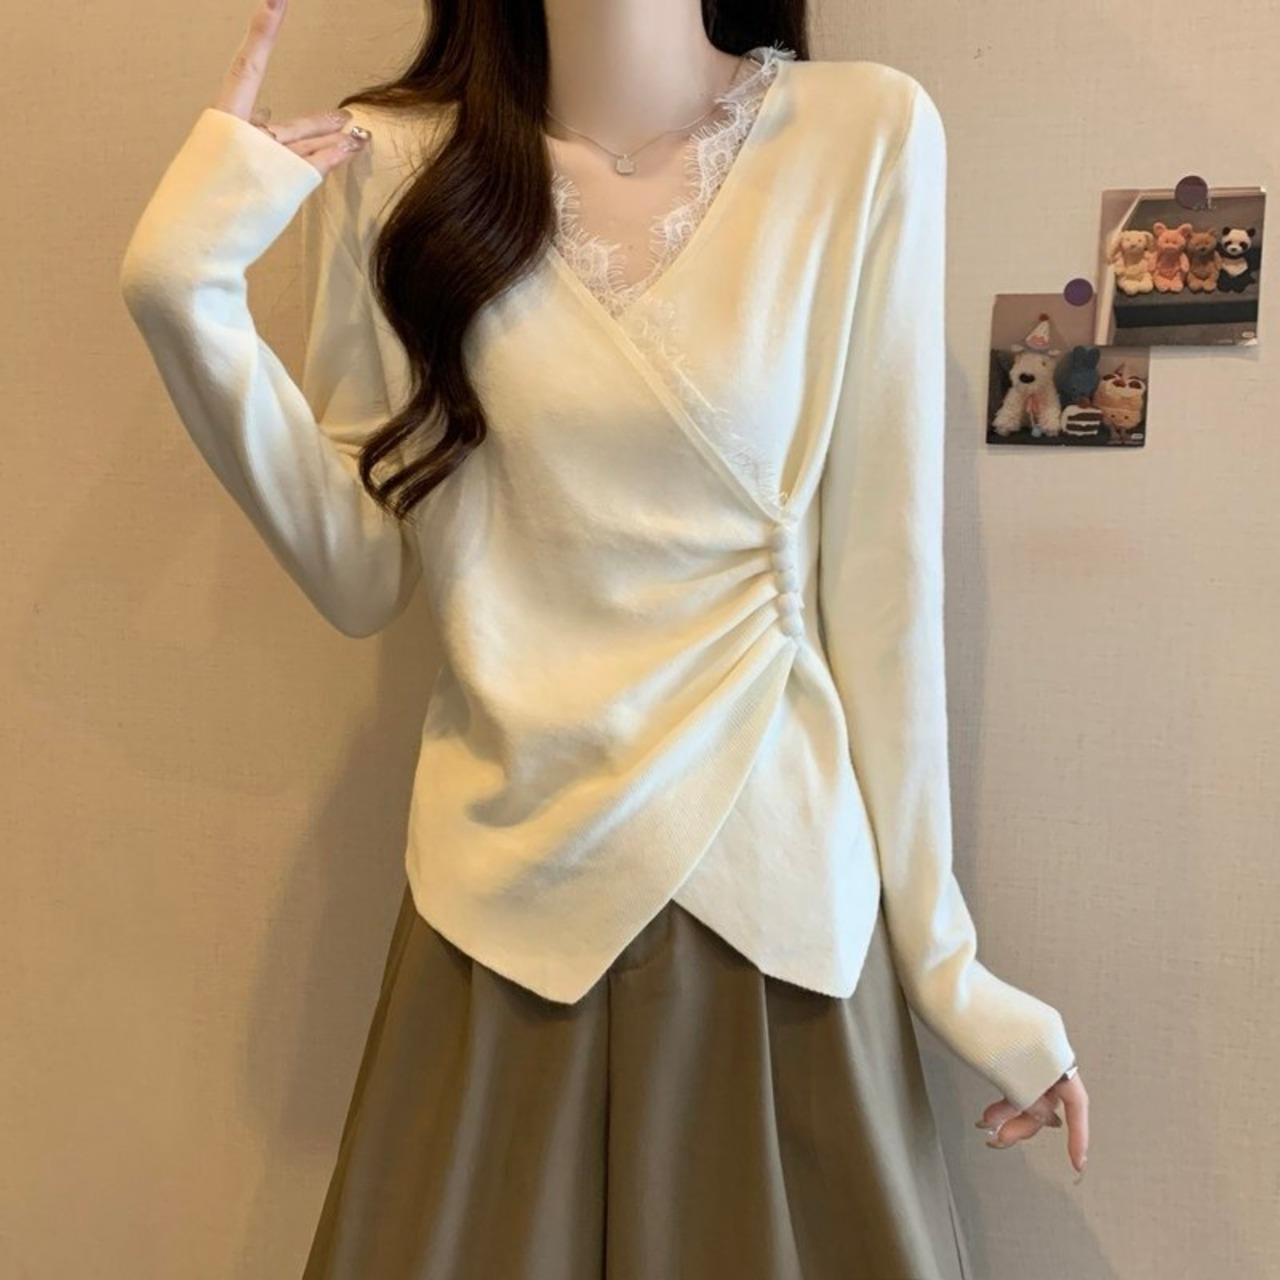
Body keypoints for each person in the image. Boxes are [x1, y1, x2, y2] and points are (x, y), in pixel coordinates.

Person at [118, 0, 1090, 1275]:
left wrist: (948, 968)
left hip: (772, 909)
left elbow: (884, 589)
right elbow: (361, 570)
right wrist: (185, 295)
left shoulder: (861, 135)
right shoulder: (396, 164)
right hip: (504, 904)